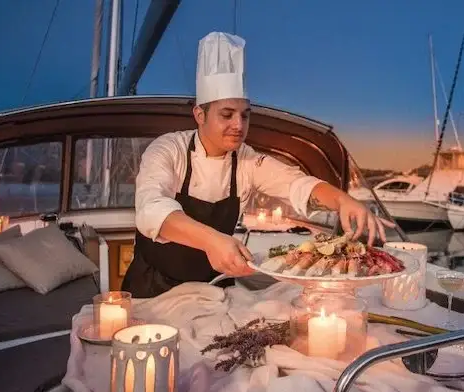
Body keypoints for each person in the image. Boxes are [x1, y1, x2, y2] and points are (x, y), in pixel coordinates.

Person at [122, 32, 393, 298]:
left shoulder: (247, 160)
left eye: (244, 115)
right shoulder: (168, 150)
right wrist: (211, 241)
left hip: (212, 288)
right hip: (152, 290)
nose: (238, 125)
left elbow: (296, 183)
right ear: (199, 115)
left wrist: (342, 200)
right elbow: (151, 209)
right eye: (227, 115)